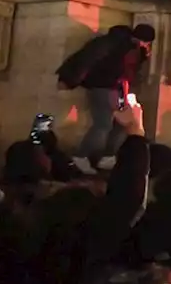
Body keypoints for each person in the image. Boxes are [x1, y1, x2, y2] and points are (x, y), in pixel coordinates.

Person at [54, 23, 155, 173]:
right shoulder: (116, 43)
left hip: (117, 89)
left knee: (121, 124)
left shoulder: (130, 47)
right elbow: (88, 59)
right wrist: (70, 80)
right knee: (103, 124)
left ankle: (108, 157)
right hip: (104, 87)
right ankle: (81, 157)